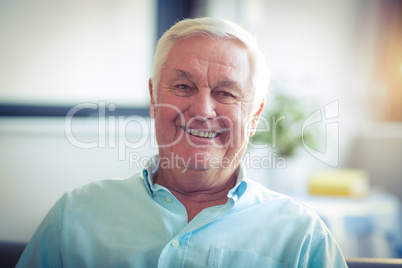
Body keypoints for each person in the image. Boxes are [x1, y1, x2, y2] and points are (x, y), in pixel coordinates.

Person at [17, 17, 347, 267]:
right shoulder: (73, 217)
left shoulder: (302, 237)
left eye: (226, 93)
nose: (202, 110)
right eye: (183, 87)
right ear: (153, 97)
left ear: (255, 117)